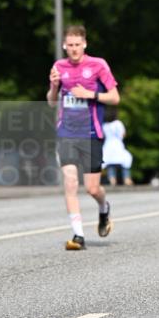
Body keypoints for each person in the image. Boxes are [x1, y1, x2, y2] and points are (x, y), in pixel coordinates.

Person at [47, 24, 120, 250]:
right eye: (70, 45)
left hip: (91, 133)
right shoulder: (59, 66)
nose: (74, 49)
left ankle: (104, 208)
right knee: (70, 182)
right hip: (66, 132)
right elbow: (51, 101)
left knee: (92, 189)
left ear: (84, 44)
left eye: (77, 44)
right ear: (64, 45)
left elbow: (115, 97)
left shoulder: (98, 65)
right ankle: (78, 235)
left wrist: (89, 94)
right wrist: (54, 86)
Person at [102, 110, 134, 185]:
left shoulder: (104, 125)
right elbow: (123, 134)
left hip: (108, 145)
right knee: (125, 161)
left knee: (110, 163)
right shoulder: (118, 123)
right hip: (117, 145)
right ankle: (127, 179)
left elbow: (103, 135)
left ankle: (112, 180)